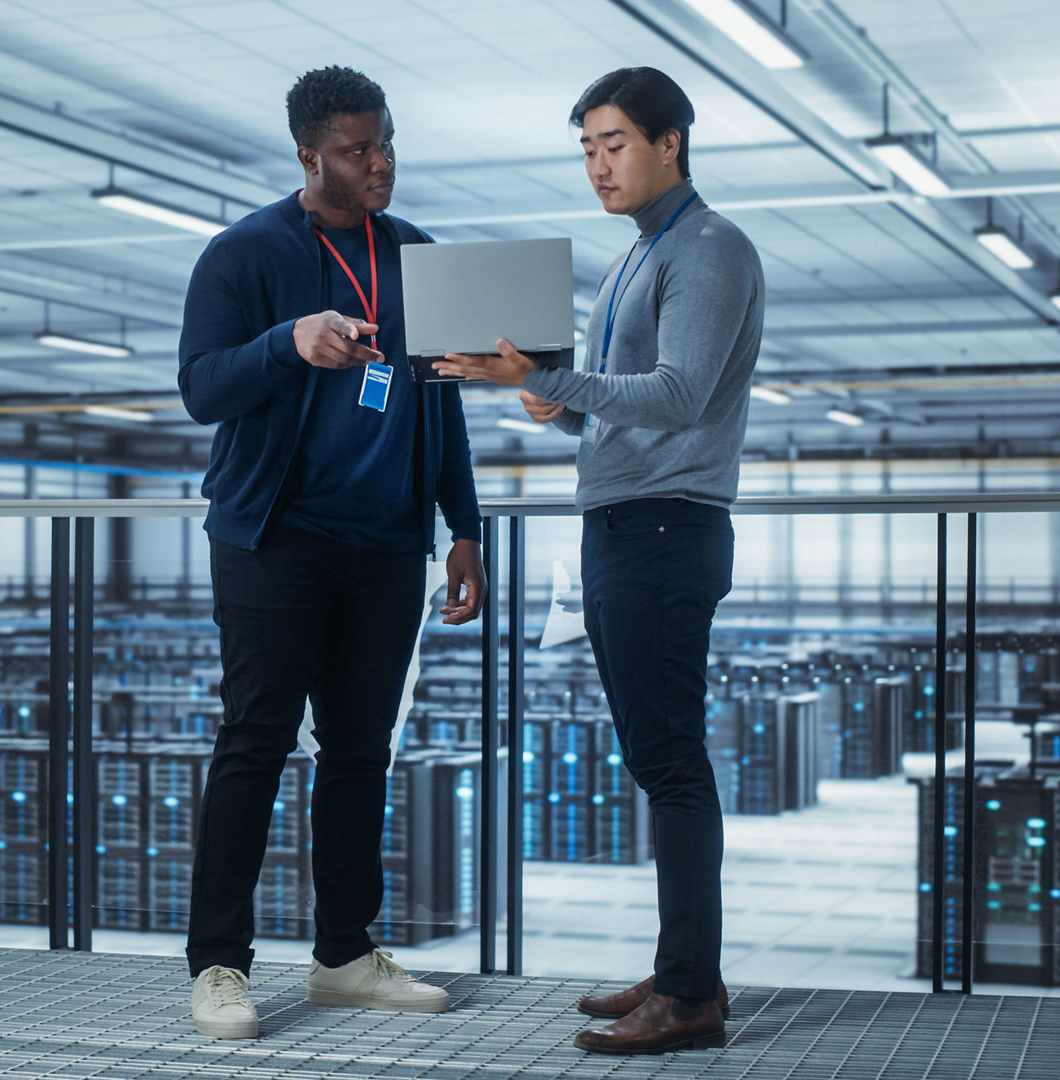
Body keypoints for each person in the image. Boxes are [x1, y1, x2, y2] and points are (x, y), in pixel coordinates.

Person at [434, 66, 764, 1055]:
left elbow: (681, 395)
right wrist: (556, 400)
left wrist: (544, 374)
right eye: (585, 148)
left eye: (613, 143)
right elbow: (616, 398)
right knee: (655, 759)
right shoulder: (636, 257)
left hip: (666, 529)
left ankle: (692, 996)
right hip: (626, 524)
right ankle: (678, 972)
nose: (597, 165)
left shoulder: (706, 249)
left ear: (671, 142)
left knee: (671, 762)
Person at [177, 65, 487, 1041]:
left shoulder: (420, 257)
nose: (381, 164)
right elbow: (200, 388)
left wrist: (463, 529)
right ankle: (219, 965)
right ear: (309, 156)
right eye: (359, 151)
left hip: (387, 547)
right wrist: (288, 342)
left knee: (359, 752)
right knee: (256, 745)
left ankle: (345, 956)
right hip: (275, 541)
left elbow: (444, 406)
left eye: (388, 144)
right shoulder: (243, 257)